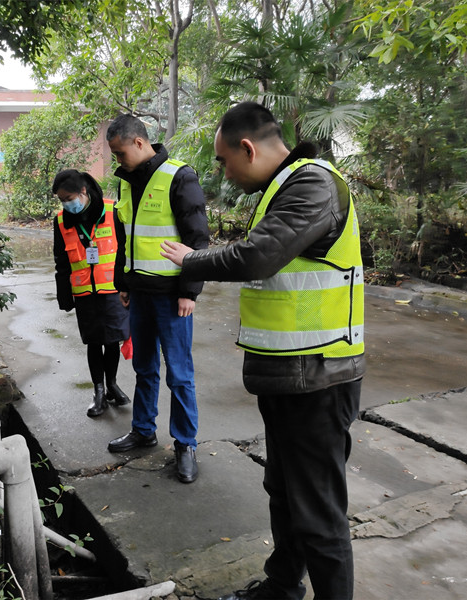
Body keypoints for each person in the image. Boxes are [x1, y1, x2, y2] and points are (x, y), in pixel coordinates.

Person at [160, 101, 365, 599]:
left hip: (320, 374)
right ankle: (281, 586)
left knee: (318, 511)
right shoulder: (285, 186)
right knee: (285, 492)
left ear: (247, 148)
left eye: (225, 162)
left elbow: (259, 256)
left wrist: (195, 260)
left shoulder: (314, 184)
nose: (225, 173)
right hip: (289, 373)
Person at [106, 114, 209, 484]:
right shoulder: (127, 184)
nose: (117, 161)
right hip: (140, 294)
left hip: (171, 297)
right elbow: (126, 239)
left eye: (119, 153)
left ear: (138, 143)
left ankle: (185, 444)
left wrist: (189, 291)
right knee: (144, 368)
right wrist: (123, 283)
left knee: (179, 374)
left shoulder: (179, 177)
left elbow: (198, 240)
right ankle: (143, 430)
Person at [52, 169, 132, 418]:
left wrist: (127, 284)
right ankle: (98, 391)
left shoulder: (112, 211)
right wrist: (64, 296)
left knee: (112, 340)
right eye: (62, 200)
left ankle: (112, 385)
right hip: (84, 291)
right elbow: (61, 261)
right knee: (93, 341)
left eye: (69, 197)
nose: (67, 204)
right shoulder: (62, 221)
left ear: (83, 191)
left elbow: (126, 250)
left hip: (112, 289)